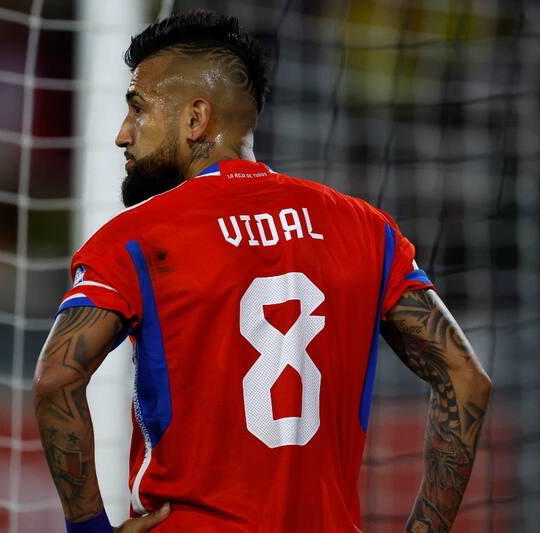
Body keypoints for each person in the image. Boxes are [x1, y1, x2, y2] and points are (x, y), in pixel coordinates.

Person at [33, 10, 492, 533]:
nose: (122, 134)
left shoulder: (138, 238)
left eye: (138, 109)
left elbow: (56, 377)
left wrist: (87, 529)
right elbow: (466, 378)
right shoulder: (365, 229)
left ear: (195, 119)